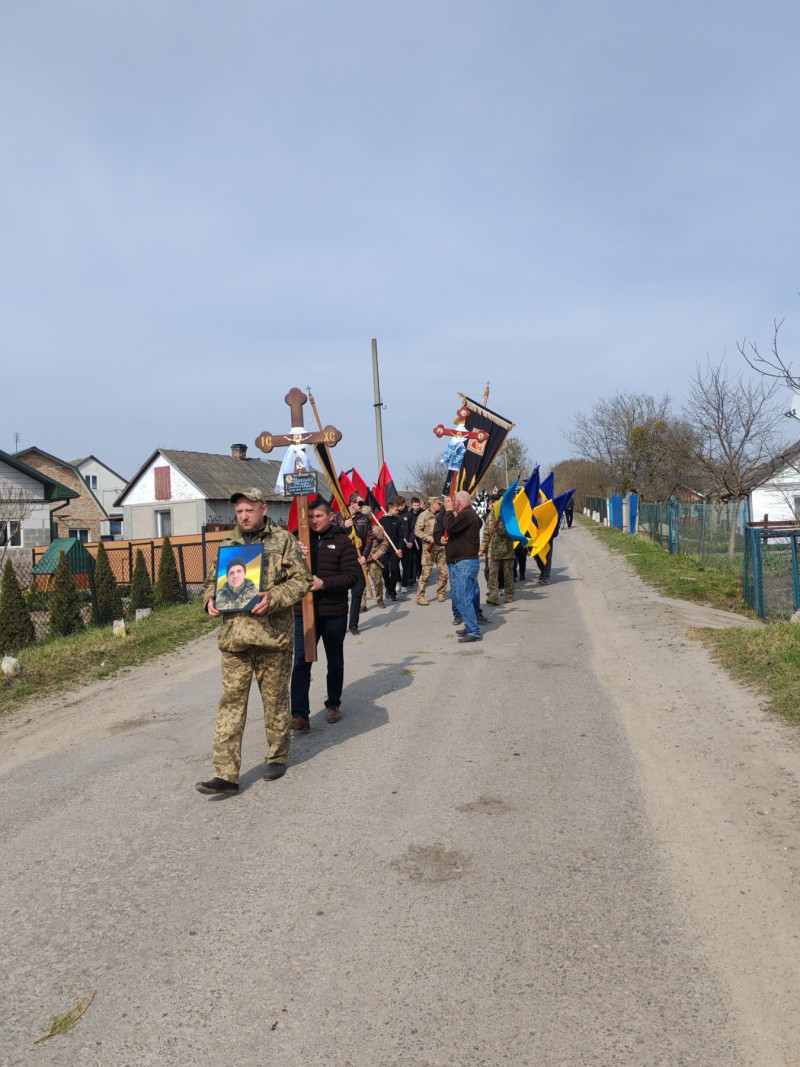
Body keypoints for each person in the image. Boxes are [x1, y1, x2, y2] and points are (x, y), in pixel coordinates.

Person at [196, 489, 313, 795]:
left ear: (263, 509)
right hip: (235, 640)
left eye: (249, 510)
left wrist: (273, 597)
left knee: (275, 703)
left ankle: (277, 756)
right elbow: (211, 582)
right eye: (239, 512)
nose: (244, 516)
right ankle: (225, 774)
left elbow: (302, 580)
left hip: (272, 638)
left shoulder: (283, 540)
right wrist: (210, 599)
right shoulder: (228, 544)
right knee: (230, 705)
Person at [291, 496, 359, 729]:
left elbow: (351, 577)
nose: (314, 520)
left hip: (333, 612)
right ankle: (300, 713)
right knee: (301, 662)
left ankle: (333, 704)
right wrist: (293, 552)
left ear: (331, 516)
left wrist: (324, 584)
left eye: (318, 516)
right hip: (303, 613)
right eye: (310, 516)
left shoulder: (342, 542)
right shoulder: (296, 540)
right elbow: (280, 569)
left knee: (335, 661)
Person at [442, 490, 483, 642]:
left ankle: (474, 631)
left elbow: (450, 526)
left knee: (464, 597)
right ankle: (470, 625)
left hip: (464, 562)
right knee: (461, 597)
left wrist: (448, 511)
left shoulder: (466, 514)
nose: (452, 504)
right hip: (460, 561)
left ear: (458, 503)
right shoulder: (467, 514)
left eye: (454, 502)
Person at [341, 492, 373, 636]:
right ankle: (340, 624)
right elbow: (330, 533)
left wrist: (364, 556)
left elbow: (369, 538)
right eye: (360, 503)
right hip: (342, 560)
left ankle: (353, 624)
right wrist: (343, 525)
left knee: (358, 591)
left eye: (363, 503)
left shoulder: (365, 519)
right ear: (352, 503)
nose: (362, 505)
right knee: (340, 593)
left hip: (358, 559)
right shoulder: (339, 517)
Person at [480, 501, 516, 606]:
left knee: (508, 574)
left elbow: (512, 532)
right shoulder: (490, 516)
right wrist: (482, 548)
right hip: (493, 551)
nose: (494, 506)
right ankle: (493, 596)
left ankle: (509, 594)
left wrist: (499, 530)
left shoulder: (508, 515)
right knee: (492, 574)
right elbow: (486, 534)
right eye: (493, 504)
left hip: (506, 550)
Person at [414, 498, 448, 605]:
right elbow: (417, 531)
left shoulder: (442, 515)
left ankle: (441, 593)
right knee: (426, 573)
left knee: (443, 572)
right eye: (438, 504)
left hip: (441, 548)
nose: (440, 505)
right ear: (432, 504)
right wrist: (429, 538)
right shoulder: (424, 515)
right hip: (429, 548)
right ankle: (420, 596)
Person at [362, 512, 389, 611]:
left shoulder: (376, 529)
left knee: (378, 581)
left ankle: (380, 599)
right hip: (362, 561)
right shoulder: (356, 529)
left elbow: (384, 543)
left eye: (366, 515)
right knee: (361, 583)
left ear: (370, 516)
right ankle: (362, 604)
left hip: (374, 560)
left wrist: (377, 554)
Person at [379, 501, 403, 600]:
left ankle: (392, 591)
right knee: (384, 570)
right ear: (390, 509)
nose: (397, 511)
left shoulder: (397, 520)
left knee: (394, 570)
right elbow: (377, 537)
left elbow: (401, 536)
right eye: (396, 510)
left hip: (394, 549)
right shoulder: (381, 520)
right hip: (384, 550)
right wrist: (379, 530)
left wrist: (400, 548)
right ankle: (388, 587)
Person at [401, 496, 423, 587]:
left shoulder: (422, 513)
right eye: (415, 505)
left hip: (420, 539)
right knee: (411, 559)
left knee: (420, 558)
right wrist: (409, 540)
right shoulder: (408, 514)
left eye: (418, 505)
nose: (416, 507)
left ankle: (420, 575)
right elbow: (408, 529)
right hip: (411, 540)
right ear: (411, 505)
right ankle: (411, 578)